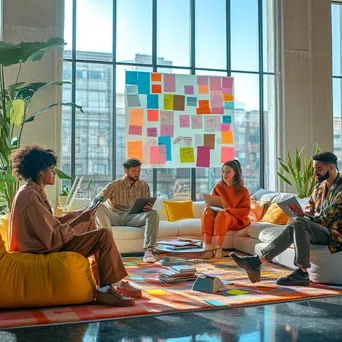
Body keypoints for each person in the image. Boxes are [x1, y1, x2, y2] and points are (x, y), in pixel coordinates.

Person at [8, 145, 142, 306]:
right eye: (52, 169)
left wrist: (76, 215)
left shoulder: (33, 191)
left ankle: (109, 283)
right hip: (40, 249)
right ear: (40, 171)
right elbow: (50, 237)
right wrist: (78, 220)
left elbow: (49, 224)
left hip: (43, 243)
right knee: (103, 235)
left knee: (90, 222)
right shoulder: (29, 195)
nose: (54, 174)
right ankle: (107, 289)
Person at [230, 151, 342, 286]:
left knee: (300, 222)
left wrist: (304, 216)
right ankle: (257, 262)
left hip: (334, 235)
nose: (315, 173)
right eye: (314, 169)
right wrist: (300, 213)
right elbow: (310, 211)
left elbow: (325, 217)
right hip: (318, 230)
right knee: (296, 224)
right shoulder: (319, 187)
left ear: (331, 168)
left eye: (319, 169)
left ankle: (301, 272)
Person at [94, 158, 159, 263]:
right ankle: (109, 247)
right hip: (115, 217)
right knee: (99, 206)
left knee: (153, 213)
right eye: (134, 171)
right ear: (126, 171)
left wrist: (148, 208)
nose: (137, 174)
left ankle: (148, 251)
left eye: (139, 171)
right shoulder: (113, 185)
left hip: (134, 217)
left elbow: (147, 203)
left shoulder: (143, 186)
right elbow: (97, 200)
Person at [201, 160, 251, 259]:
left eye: (228, 172)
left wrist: (229, 210)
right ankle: (208, 248)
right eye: (223, 171)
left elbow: (246, 211)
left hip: (234, 218)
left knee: (222, 214)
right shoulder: (218, 186)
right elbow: (212, 203)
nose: (225, 174)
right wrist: (208, 207)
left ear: (235, 173)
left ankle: (218, 249)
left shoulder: (243, 191)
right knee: (207, 213)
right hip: (219, 214)